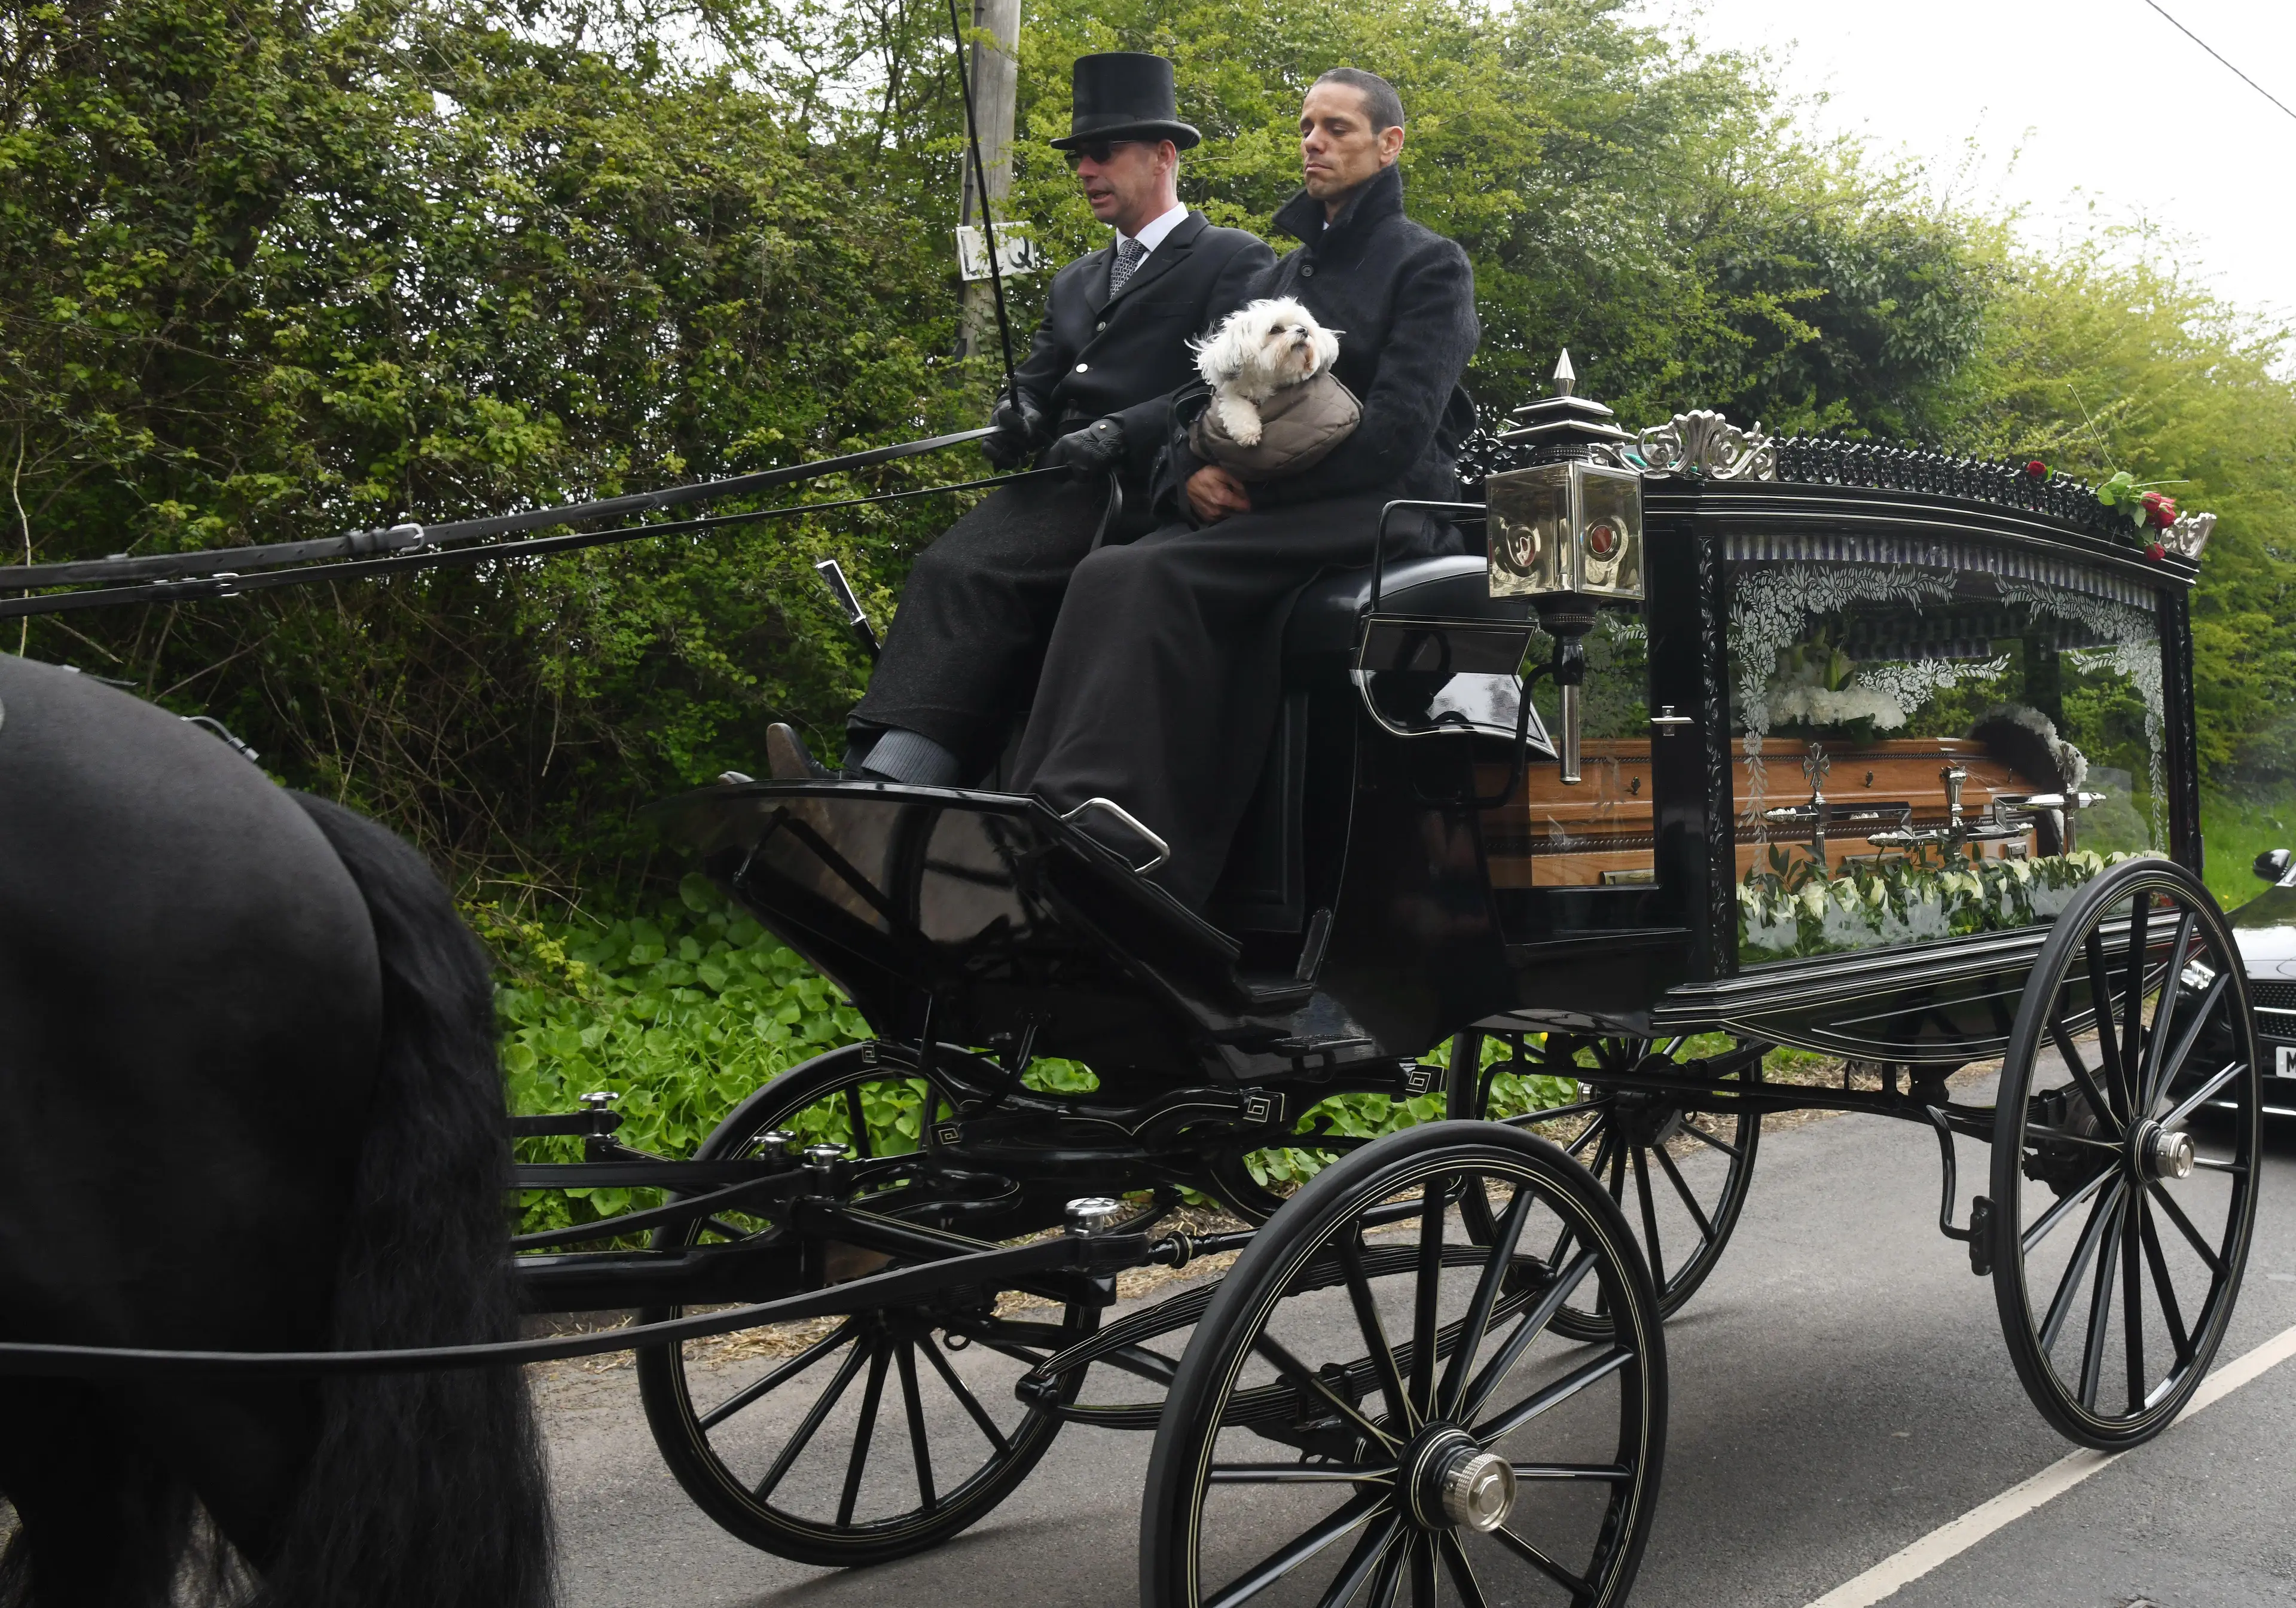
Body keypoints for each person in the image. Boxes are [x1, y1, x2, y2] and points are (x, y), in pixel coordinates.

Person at [1006, 66, 1480, 909]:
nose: (1315, 143)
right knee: (1103, 569)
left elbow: (1400, 431)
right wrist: (1192, 479)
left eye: (1337, 129)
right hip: (1270, 505)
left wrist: (1257, 490)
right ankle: (1035, 807)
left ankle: (1125, 838)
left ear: (1389, 145)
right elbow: (1201, 398)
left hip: (1375, 513)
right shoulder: (1287, 271)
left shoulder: (1431, 266)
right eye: (1307, 127)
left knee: (1153, 575)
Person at [771, 53, 1274, 787]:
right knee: (940, 564)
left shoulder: (1231, 256)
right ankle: (870, 771)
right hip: (1054, 484)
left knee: (970, 570)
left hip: (1137, 488)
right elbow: (1038, 375)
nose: (1085, 169)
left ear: (1163, 156)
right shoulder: (1075, 280)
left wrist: (1121, 432)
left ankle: (886, 784)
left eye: (1102, 153)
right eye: (1078, 156)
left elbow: (1225, 383)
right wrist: (1017, 411)